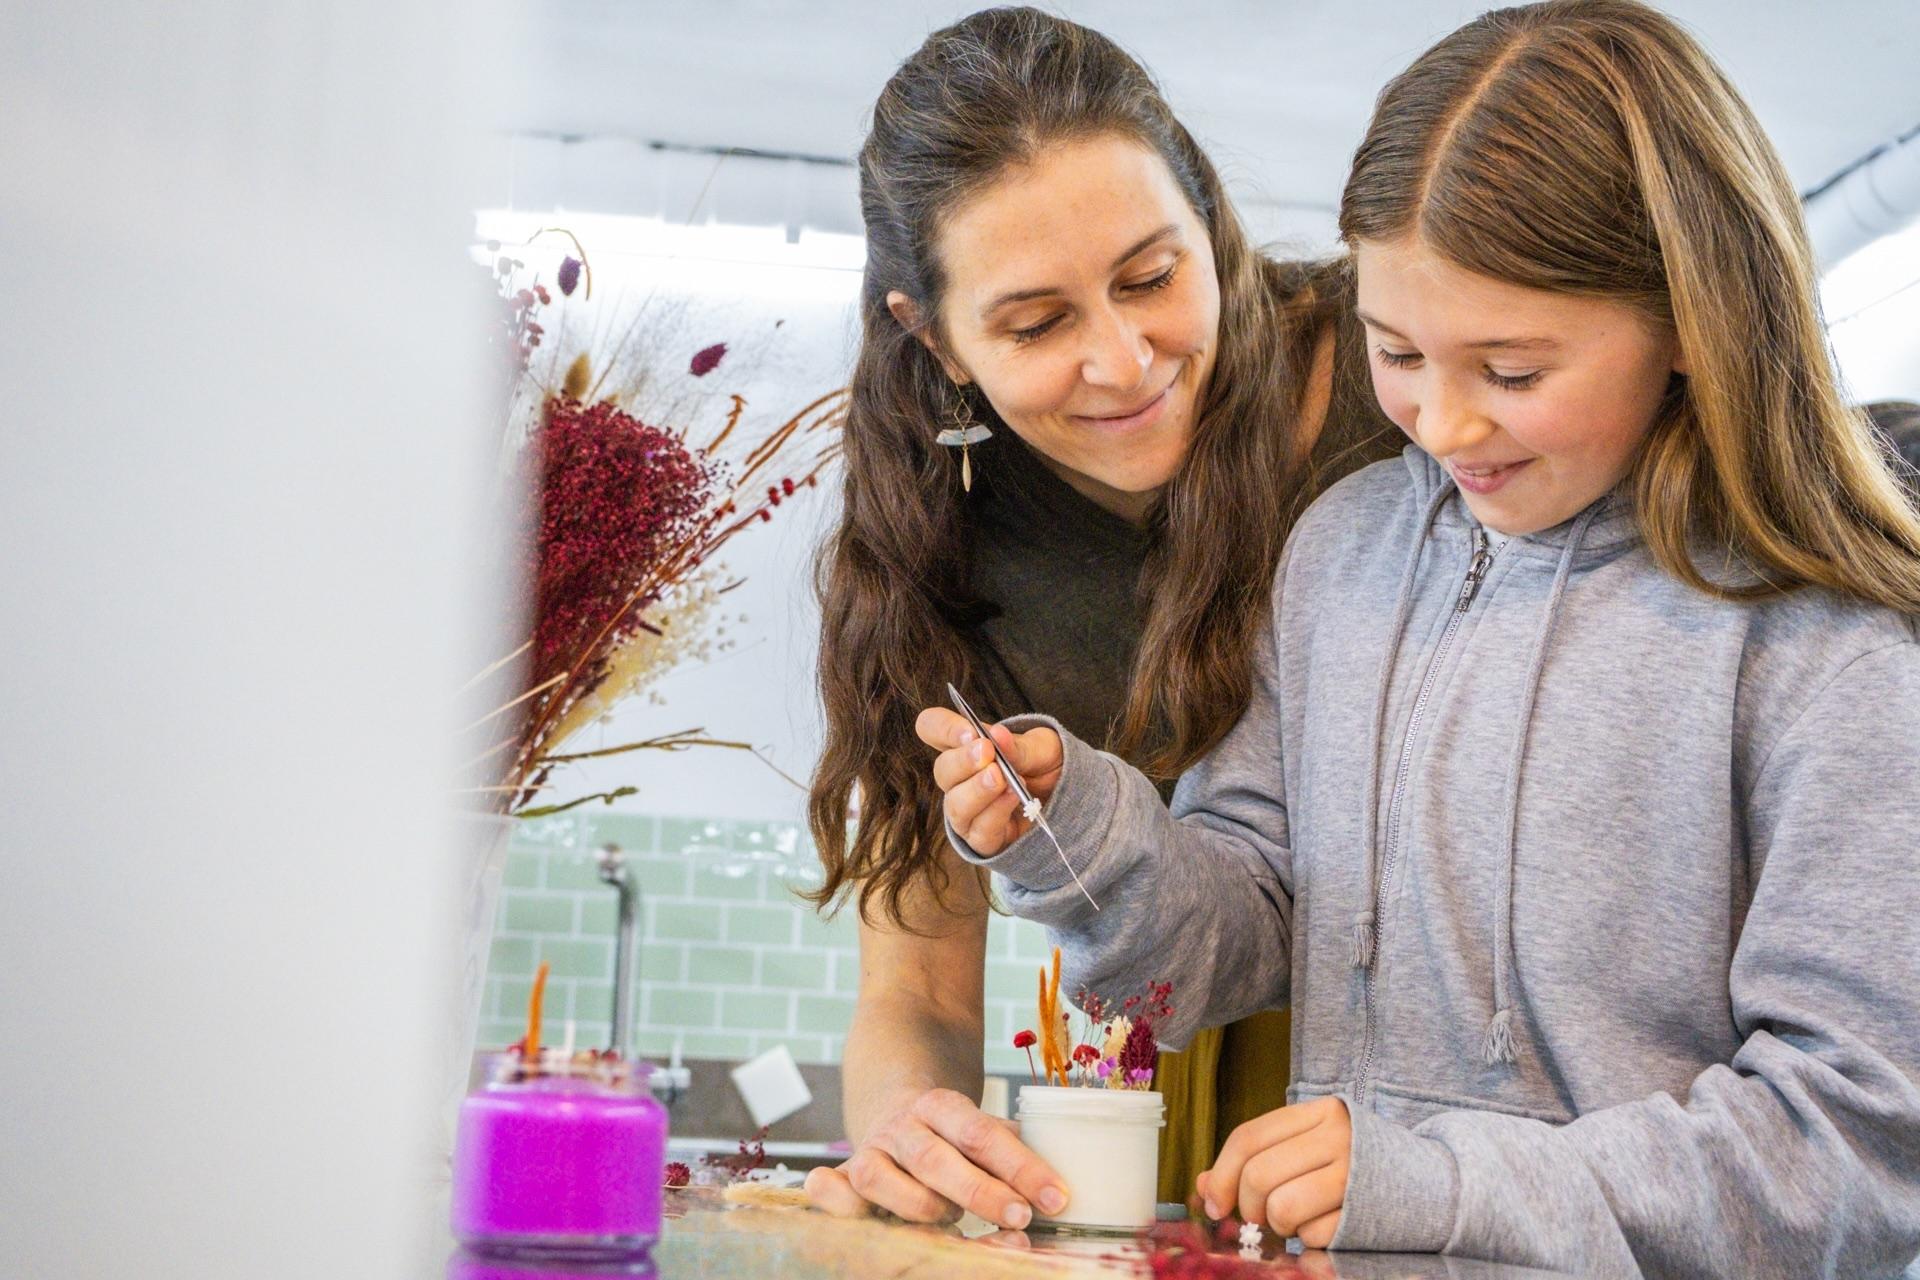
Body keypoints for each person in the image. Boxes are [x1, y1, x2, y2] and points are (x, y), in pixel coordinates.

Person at [926, 3, 1920, 1274]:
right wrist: (1090, 840)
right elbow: (1246, 934)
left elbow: (1864, 1134)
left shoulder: (1822, 635)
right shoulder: (1346, 548)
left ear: (1686, 319)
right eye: (1397, 352)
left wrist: (1446, 1183)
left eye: (1510, 371)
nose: (1442, 428)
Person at [802, 7, 1402, 1227]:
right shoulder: (931, 554)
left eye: (1152, 276)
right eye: (1036, 324)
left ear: (1206, 215)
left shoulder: (1406, 379)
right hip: (1177, 1092)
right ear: (937, 339)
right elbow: (918, 985)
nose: (1125, 361)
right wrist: (915, 1128)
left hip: (1464, 1098)